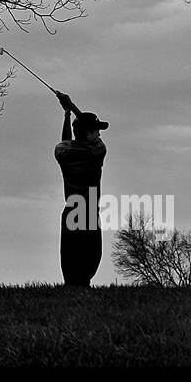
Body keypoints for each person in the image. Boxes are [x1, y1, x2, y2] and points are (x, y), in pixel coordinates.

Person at [53, 91, 109, 287]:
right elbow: (77, 136)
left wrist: (67, 113)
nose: (99, 133)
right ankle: (82, 290)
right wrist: (71, 107)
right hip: (88, 213)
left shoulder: (64, 153)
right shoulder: (96, 152)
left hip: (71, 211)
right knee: (91, 258)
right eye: (96, 130)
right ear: (88, 133)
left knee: (71, 262)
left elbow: (65, 142)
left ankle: (74, 291)